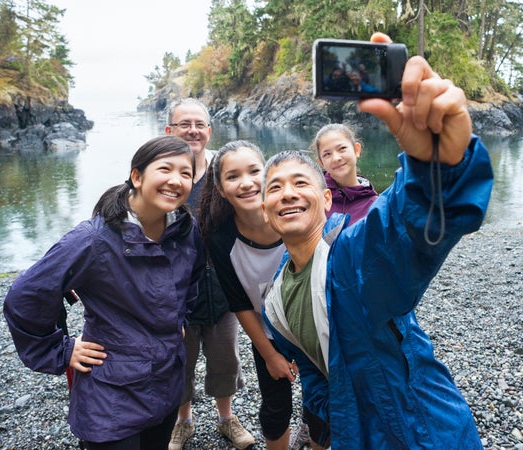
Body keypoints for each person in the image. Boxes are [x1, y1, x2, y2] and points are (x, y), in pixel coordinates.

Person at [261, 32, 494, 449]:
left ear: (327, 199)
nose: (288, 193)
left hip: (423, 428)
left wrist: (438, 165)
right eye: (274, 188)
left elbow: (405, 227)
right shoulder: (274, 300)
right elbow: (313, 369)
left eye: (300, 182)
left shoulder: (349, 257)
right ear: (264, 210)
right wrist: (335, 410)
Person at [4, 136, 205, 450]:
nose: (176, 181)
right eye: (165, 169)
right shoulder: (94, 239)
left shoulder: (184, 229)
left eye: (186, 174)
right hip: (111, 391)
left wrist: (181, 317)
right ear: (136, 176)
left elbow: (193, 277)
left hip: (166, 380)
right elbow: (26, 294)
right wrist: (61, 348)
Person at [198, 140, 309, 450]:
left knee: (320, 403)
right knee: (276, 409)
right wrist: (271, 354)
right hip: (269, 333)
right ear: (219, 188)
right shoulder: (221, 238)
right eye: (233, 176)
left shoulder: (293, 215)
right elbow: (239, 302)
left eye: (255, 171)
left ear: (269, 174)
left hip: (316, 327)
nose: (246, 183)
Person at [164, 99, 256, 450]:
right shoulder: (163, 172)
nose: (193, 130)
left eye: (199, 124)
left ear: (209, 130)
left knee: (225, 358)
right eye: (184, 124)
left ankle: (226, 418)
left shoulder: (225, 170)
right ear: (169, 130)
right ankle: (182, 422)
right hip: (174, 293)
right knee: (180, 360)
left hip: (224, 285)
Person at [312, 123, 378, 221]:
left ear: (356, 150)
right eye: (327, 154)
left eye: (342, 149)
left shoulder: (374, 204)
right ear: (321, 162)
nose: (336, 158)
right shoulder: (314, 196)